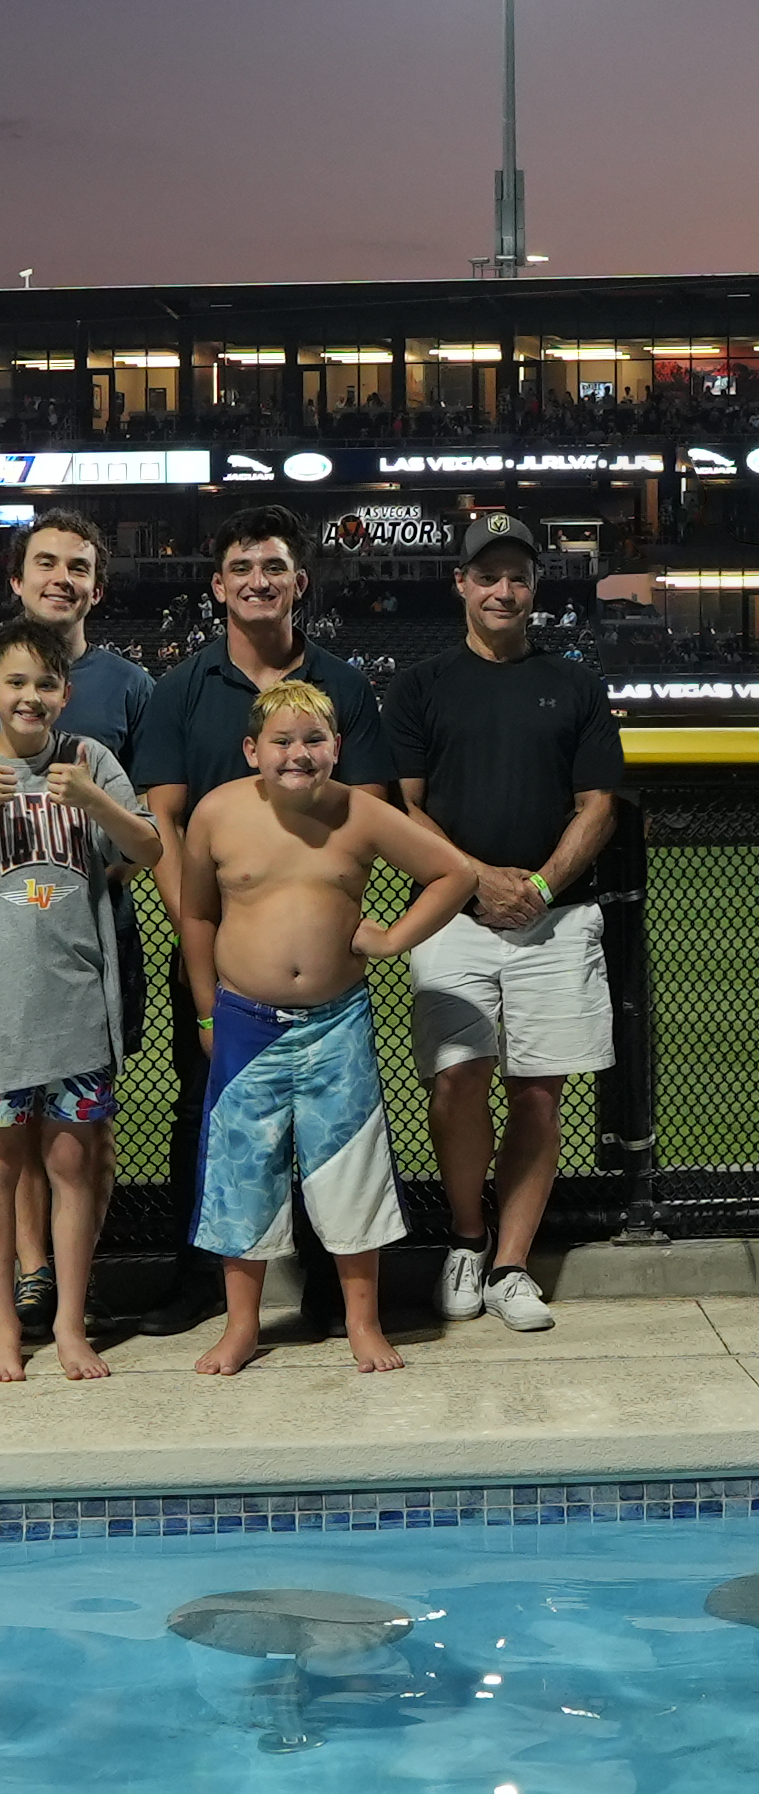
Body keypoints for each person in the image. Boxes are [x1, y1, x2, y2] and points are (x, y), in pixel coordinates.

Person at [130, 504, 397, 1338]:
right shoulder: (183, 688)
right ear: (218, 586)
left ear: (298, 582)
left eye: (273, 567)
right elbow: (163, 822)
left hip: (318, 966)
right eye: (242, 568)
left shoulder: (342, 686)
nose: (258, 581)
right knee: (207, 1113)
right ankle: (200, 1280)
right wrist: (195, 929)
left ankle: (326, 1290)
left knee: (330, 1123)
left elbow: (373, 806)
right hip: (220, 953)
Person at [181, 680, 476, 1375]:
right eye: (281, 740)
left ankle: (362, 1321)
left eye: (314, 740)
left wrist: (395, 938)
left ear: (337, 748)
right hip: (244, 1022)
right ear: (252, 749)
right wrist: (203, 1009)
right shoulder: (217, 813)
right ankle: (243, 1325)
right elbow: (196, 915)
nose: (298, 753)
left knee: (350, 1171)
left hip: (336, 1023)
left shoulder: (362, 814)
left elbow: (454, 873)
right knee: (242, 1172)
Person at [383, 513, 624, 1331]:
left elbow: (598, 808)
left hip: (554, 921)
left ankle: (513, 1265)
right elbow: (405, 809)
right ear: (462, 584)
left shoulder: (576, 683)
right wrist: (479, 880)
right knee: (455, 1079)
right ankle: (466, 1236)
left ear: (534, 587)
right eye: (488, 575)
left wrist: (541, 889)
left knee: (538, 1092)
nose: (503, 590)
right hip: (451, 914)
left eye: (518, 576)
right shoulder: (419, 687)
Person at [0, 618, 161, 1384]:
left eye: (44, 683)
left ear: (65, 693)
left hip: (80, 1006)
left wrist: (93, 800)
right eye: (14, 682)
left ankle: (71, 1324)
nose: (30, 695)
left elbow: (148, 851)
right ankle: (0, 1329)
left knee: (73, 1163)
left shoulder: (91, 760)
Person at [0, 510, 154, 1340]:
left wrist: (104, 860)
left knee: (82, 1137)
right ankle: (33, 1271)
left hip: (90, 927)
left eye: (77, 565)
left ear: (96, 586)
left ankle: (75, 1283)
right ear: (17, 578)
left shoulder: (128, 685)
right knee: (12, 1141)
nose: (60, 577)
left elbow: (147, 827)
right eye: (45, 562)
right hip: (2, 942)